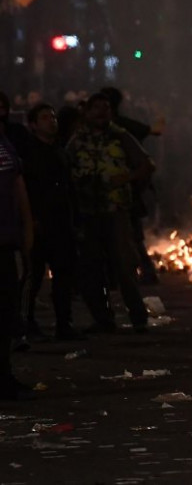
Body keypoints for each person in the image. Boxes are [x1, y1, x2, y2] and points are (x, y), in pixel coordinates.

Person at [67, 93, 154, 334]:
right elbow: (66, 169)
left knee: (125, 267)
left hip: (116, 211)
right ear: (87, 112)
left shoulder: (121, 136)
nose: (101, 113)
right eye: (96, 108)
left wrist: (126, 180)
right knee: (92, 268)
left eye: (106, 108)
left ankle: (138, 317)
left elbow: (146, 165)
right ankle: (103, 319)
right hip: (88, 211)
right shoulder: (77, 141)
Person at [21, 103, 83, 340]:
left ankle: (64, 324)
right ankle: (26, 323)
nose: (52, 121)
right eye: (45, 118)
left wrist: (75, 220)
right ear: (34, 124)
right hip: (39, 223)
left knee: (63, 276)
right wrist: (31, 219)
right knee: (34, 277)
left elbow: (69, 189)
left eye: (53, 117)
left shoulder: (60, 151)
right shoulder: (29, 154)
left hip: (61, 223)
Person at [101, 87, 163, 286]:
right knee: (130, 236)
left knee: (128, 235)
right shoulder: (120, 126)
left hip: (124, 190)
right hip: (122, 190)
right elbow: (156, 131)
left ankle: (135, 273)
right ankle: (138, 272)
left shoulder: (120, 128)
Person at [0, 130, 33, 400]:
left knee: (6, 310)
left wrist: (27, 227)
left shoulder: (4, 141)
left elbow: (17, 184)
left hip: (5, 240)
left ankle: (4, 377)